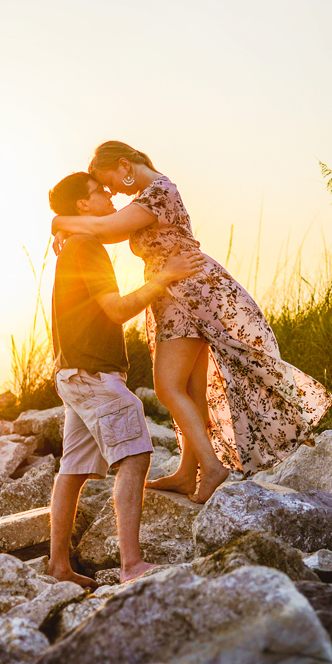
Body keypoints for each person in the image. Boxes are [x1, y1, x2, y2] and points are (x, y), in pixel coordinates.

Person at [50, 142, 331, 504]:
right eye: (106, 189)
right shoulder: (148, 198)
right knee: (191, 388)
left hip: (184, 291)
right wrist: (68, 229)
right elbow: (103, 231)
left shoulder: (158, 192)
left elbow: (105, 225)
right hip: (179, 291)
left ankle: (211, 467)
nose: (114, 192)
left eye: (112, 183)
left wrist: (59, 221)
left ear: (125, 165)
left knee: (167, 388)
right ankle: (188, 473)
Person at [46, 171, 205, 585]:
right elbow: (116, 310)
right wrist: (164, 277)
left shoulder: (74, 245)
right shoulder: (86, 247)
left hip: (73, 372)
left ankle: (59, 567)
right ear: (83, 205)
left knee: (73, 469)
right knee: (134, 457)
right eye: (101, 192)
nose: (111, 196)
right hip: (94, 374)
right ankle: (131, 565)